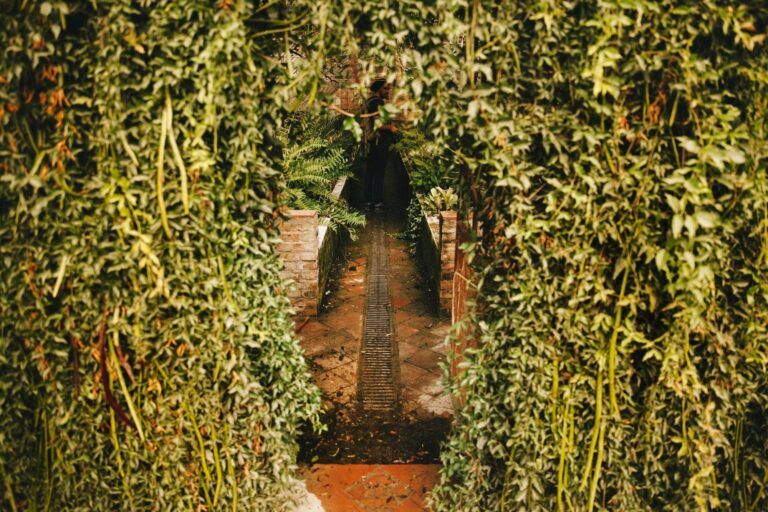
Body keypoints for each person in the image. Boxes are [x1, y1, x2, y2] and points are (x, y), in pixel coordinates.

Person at [364, 79, 397, 211]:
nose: (388, 91)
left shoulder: (370, 101)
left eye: (389, 88)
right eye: (385, 89)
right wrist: (391, 128)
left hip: (372, 142)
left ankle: (368, 202)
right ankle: (377, 203)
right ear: (378, 90)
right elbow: (379, 124)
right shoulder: (377, 103)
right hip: (379, 142)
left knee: (371, 171)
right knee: (379, 172)